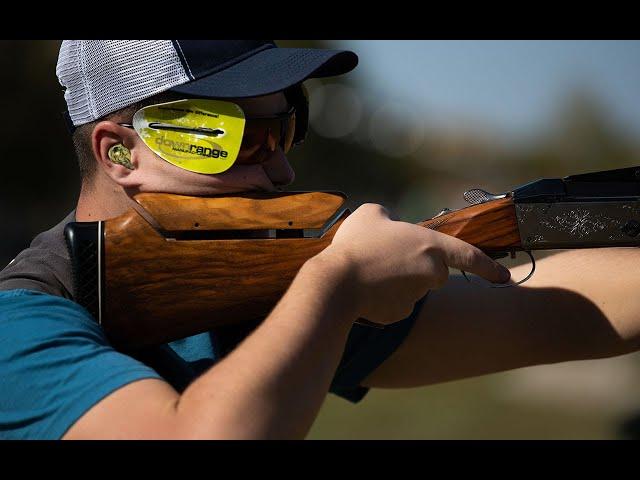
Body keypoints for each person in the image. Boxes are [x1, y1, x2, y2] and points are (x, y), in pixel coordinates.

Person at [1, 40, 639, 440]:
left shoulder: (260, 285)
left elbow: (556, 316)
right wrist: (337, 284)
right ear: (118, 152)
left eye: (285, 127)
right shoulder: (21, 321)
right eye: (241, 139)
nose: (281, 168)